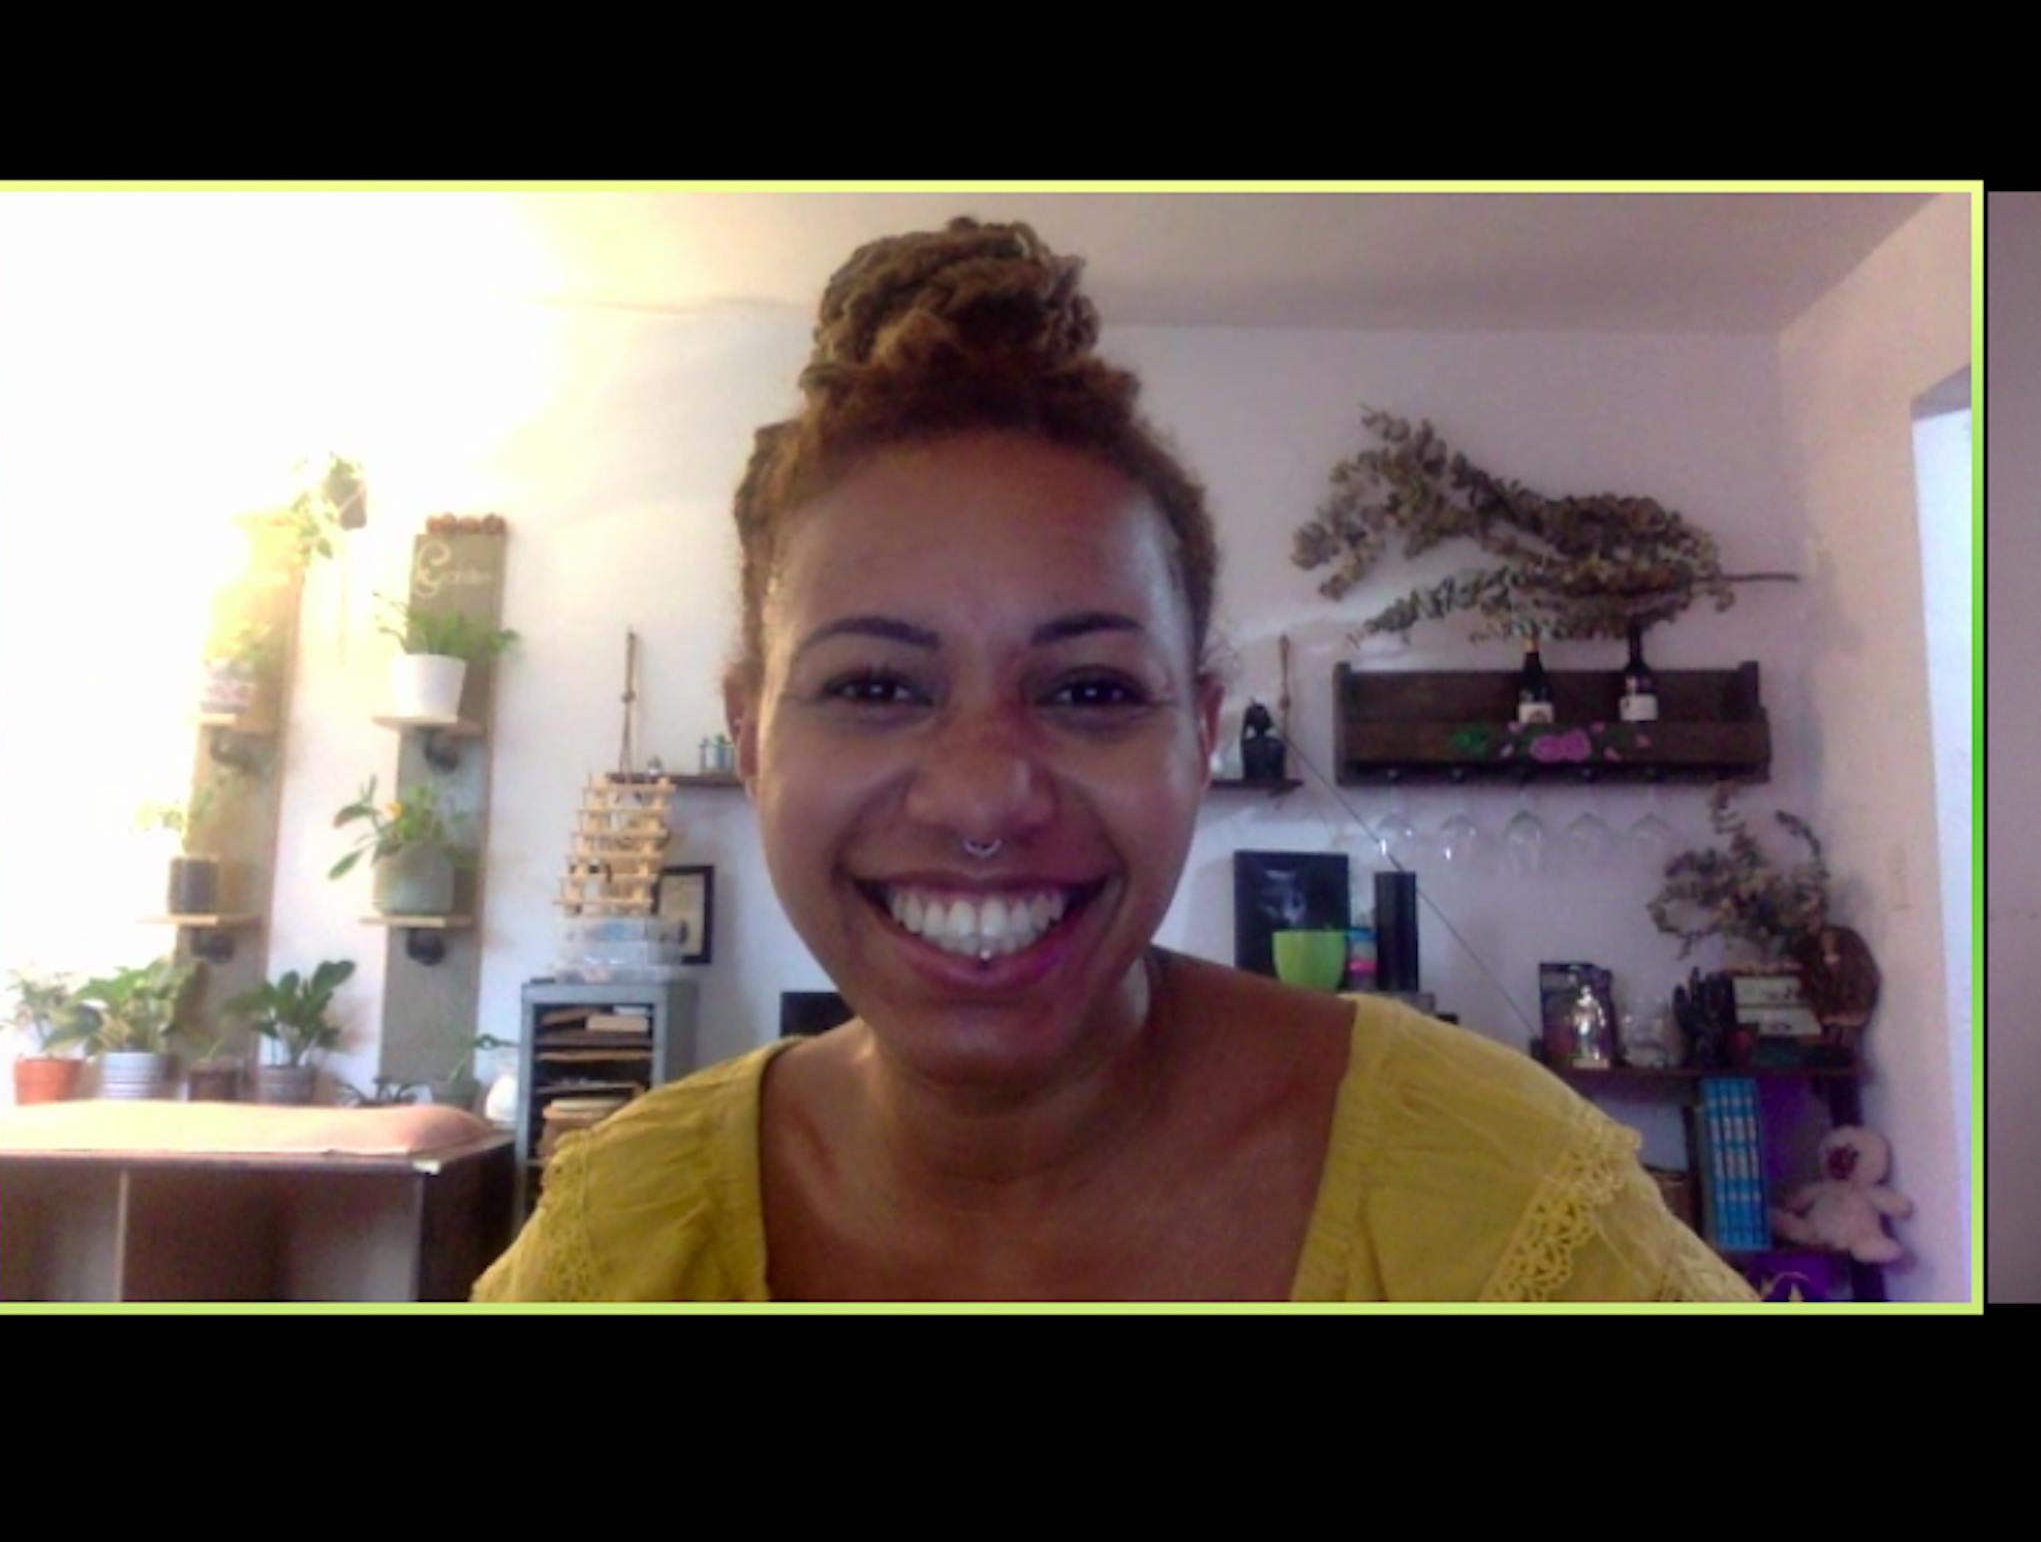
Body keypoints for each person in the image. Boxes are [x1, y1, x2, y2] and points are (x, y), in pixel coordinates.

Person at [477, 217, 1757, 1302]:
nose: (983, 795)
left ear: (1198, 737)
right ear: (754, 737)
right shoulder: (618, 1241)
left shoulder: (1494, 1200)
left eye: (1089, 689)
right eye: (873, 686)